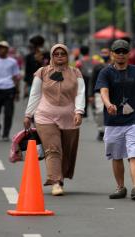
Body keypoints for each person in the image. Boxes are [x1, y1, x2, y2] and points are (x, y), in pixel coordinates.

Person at [94, 39, 135, 200]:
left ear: (129, 54)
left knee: (134, 153)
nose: (121, 54)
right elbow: (103, 91)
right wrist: (109, 104)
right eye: (118, 52)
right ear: (112, 54)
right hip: (113, 120)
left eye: (124, 51)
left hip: (134, 119)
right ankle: (120, 187)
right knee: (116, 156)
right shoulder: (106, 72)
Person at [23, 44, 85, 196]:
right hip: (45, 116)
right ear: (51, 56)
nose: (59, 56)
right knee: (53, 149)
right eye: (56, 53)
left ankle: (60, 178)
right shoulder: (42, 72)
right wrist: (28, 114)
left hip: (69, 117)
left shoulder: (75, 72)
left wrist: (79, 111)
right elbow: (35, 94)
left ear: (67, 56)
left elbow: (80, 93)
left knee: (67, 151)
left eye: (62, 53)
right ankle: (55, 182)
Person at [89, 48, 111, 141]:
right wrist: (91, 95)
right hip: (99, 93)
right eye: (103, 53)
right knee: (100, 111)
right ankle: (101, 131)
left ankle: (110, 131)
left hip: (113, 93)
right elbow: (92, 81)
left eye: (106, 53)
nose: (104, 54)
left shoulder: (114, 66)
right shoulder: (97, 67)